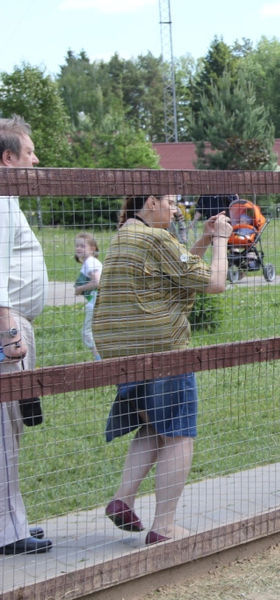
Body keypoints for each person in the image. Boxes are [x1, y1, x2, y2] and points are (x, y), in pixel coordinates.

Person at [93, 194, 231, 545]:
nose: (175, 209)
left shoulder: (125, 235)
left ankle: (123, 499)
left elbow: (181, 276)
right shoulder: (156, 238)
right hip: (164, 352)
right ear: (151, 202)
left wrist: (199, 240)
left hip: (126, 352)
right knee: (180, 434)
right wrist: (220, 242)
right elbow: (214, 283)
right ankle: (164, 526)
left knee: (153, 427)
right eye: (170, 202)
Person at [0, 115, 53, 555]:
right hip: (7, 330)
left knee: (11, 431)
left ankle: (13, 521)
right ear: (8, 158)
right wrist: (8, 331)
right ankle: (7, 531)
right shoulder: (0, 199)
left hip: (13, 325)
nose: (37, 160)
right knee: (3, 432)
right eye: (30, 152)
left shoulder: (9, 199)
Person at [73, 232, 102, 360]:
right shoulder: (90, 262)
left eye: (82, 246)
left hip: (95, 303)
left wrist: (80, 289)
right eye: (77, 246)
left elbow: (97, 282)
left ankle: (99, 358)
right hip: (96, 301)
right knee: (95, 331)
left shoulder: (90, 262)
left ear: (92, 248)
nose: (78, 248)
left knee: (87, 333)